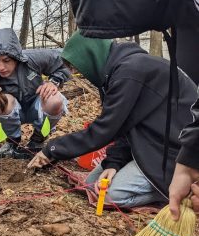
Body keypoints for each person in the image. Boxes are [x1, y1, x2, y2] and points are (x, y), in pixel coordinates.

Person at [28, 31, 197, 208]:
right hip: (149, 140)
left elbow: (105, 129)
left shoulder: (129, 72)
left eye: (77, 67)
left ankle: (175, 191)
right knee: (92, 185)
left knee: (109, 196)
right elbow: (126, 124)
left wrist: (52, 149)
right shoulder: (118, 71)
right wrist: (114, 162)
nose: (79, 73)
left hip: (175, 150)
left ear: (91, 57)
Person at [0, 28, 71, 184]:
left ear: (16, 57)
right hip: (13, 112)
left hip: (38, 107)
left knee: (55, 100)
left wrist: (54, 81)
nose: (1, 67)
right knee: (3, 101)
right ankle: (12, 142)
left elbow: (67, 60)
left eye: (6, 60)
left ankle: (37, 141)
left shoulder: (33, 59)